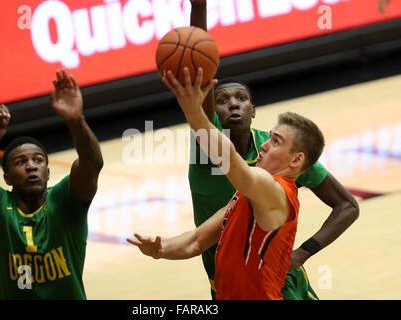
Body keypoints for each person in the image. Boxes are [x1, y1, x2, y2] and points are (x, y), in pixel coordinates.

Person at [184, 0, 360, 300]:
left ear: (254, 110)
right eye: (222, 100)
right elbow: (199, 66)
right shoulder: (206, 148)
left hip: (277, 282)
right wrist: (199, 6)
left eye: (241, 98)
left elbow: (348, 206)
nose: (233, 104)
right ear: (209, 111)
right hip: (229, 286)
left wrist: (303, 253)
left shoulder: (280, 151)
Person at [128, 68, 326, 299]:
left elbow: (231, 161)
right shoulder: (246, 195)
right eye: (269, 138)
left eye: (275, 141)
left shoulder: (275, 191)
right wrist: (162, 249)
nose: (264, 145)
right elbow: (197, 240)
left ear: (296, 159)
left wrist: (194, 113)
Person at [0, 69, 103, 299]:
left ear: (48, 172)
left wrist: (76, 121)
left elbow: (92, 165)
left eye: (38, 160)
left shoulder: (65, 201)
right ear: (7, 178)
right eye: (20, 162)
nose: (31, 166)